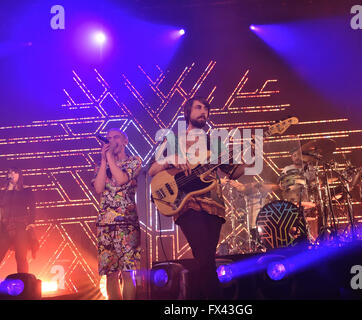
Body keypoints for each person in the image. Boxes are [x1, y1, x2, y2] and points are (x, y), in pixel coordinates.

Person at [149, 97, 250, 299]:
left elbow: (233, 172)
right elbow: (152, 170)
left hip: (214, 206)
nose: (204, 111)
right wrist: (170, 159)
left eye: (206, 108)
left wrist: (249, 156)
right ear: (188, 112)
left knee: (206, 260)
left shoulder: (215, 142)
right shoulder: (173, 141)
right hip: (187, 204)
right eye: (198, 107)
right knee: (205, 259)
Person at [92, 128, 142, 300]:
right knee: (110, 274)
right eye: (108, 138)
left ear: (125, 141)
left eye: (116, 137)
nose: (111, 141)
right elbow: (98, 188)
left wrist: (110, 160)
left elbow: (121, 180)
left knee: (128, 272)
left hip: (126, 223)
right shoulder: (101, 166)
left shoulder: (134, 161)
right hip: (105, 224)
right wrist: (104, 161)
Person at [0, 167, 37, 297]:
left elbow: (32, 207)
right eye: (9, 172)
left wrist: (31, 222)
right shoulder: (2, 192)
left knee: (21, 257)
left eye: (14, 172)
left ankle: (24, 289)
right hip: (4, 226)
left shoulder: (26, 190)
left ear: (20, 174)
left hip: (20, 226)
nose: (11, 174)